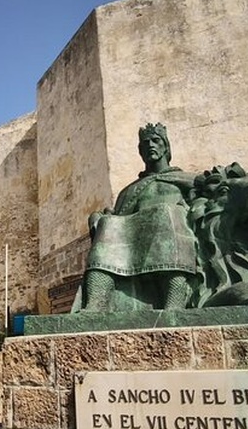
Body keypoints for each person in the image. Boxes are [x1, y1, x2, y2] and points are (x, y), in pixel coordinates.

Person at [80, 123, 198, 311]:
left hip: (174, 229)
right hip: (135, 238)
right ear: (140, 151)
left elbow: (204, 205)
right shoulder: (131, 190)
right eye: (146, 143)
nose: (151, 145)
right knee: (107, 224)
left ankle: (175, 300)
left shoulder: (188, 180)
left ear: (166, 146)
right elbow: (120, 216)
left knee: (165, 213)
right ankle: (96, 302)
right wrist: (101, 217)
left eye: (156, 141)